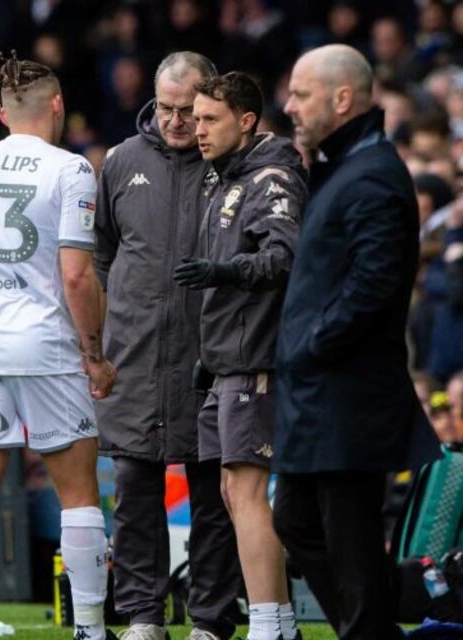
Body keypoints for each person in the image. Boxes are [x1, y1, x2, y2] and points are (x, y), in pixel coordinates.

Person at [0, 53, 117, 640]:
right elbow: (76, 275)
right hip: (45, 346)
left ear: (0, 113)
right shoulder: (70, 170)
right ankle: (90, 629)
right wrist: (93, 355)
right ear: (58, 106)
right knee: (78, 495)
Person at [274, 44, 442, 639]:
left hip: (347, 398)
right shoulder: (344, 166)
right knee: (298, 523)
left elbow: (376, 286)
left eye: (301, 93)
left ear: (342, 99)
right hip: (320, 396)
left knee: (346, 543)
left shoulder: (373, 174)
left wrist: (310, 344)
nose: (288, 105)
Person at [94, 52, 242, 640]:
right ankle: (142, 617)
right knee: (133, 492)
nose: (176, 122)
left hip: (213, 354)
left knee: (214, 495)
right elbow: (103, 252)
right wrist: (114, 326)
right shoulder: (121, 162)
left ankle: (209, 619)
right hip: (135, 354)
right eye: (165, 109)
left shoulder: (231, 164)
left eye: (188, 110)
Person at [175, 72, 305, 640]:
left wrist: (223, 272)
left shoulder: (271, 176)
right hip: (227, 355)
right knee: (233, 491)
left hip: (256, 356)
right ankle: (276, 620)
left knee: (249, 492)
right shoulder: (226, 177)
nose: (195, 130)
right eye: (195, 118)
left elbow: (283, 257)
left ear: (246, 120)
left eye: (208, 120)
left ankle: (270, 626)